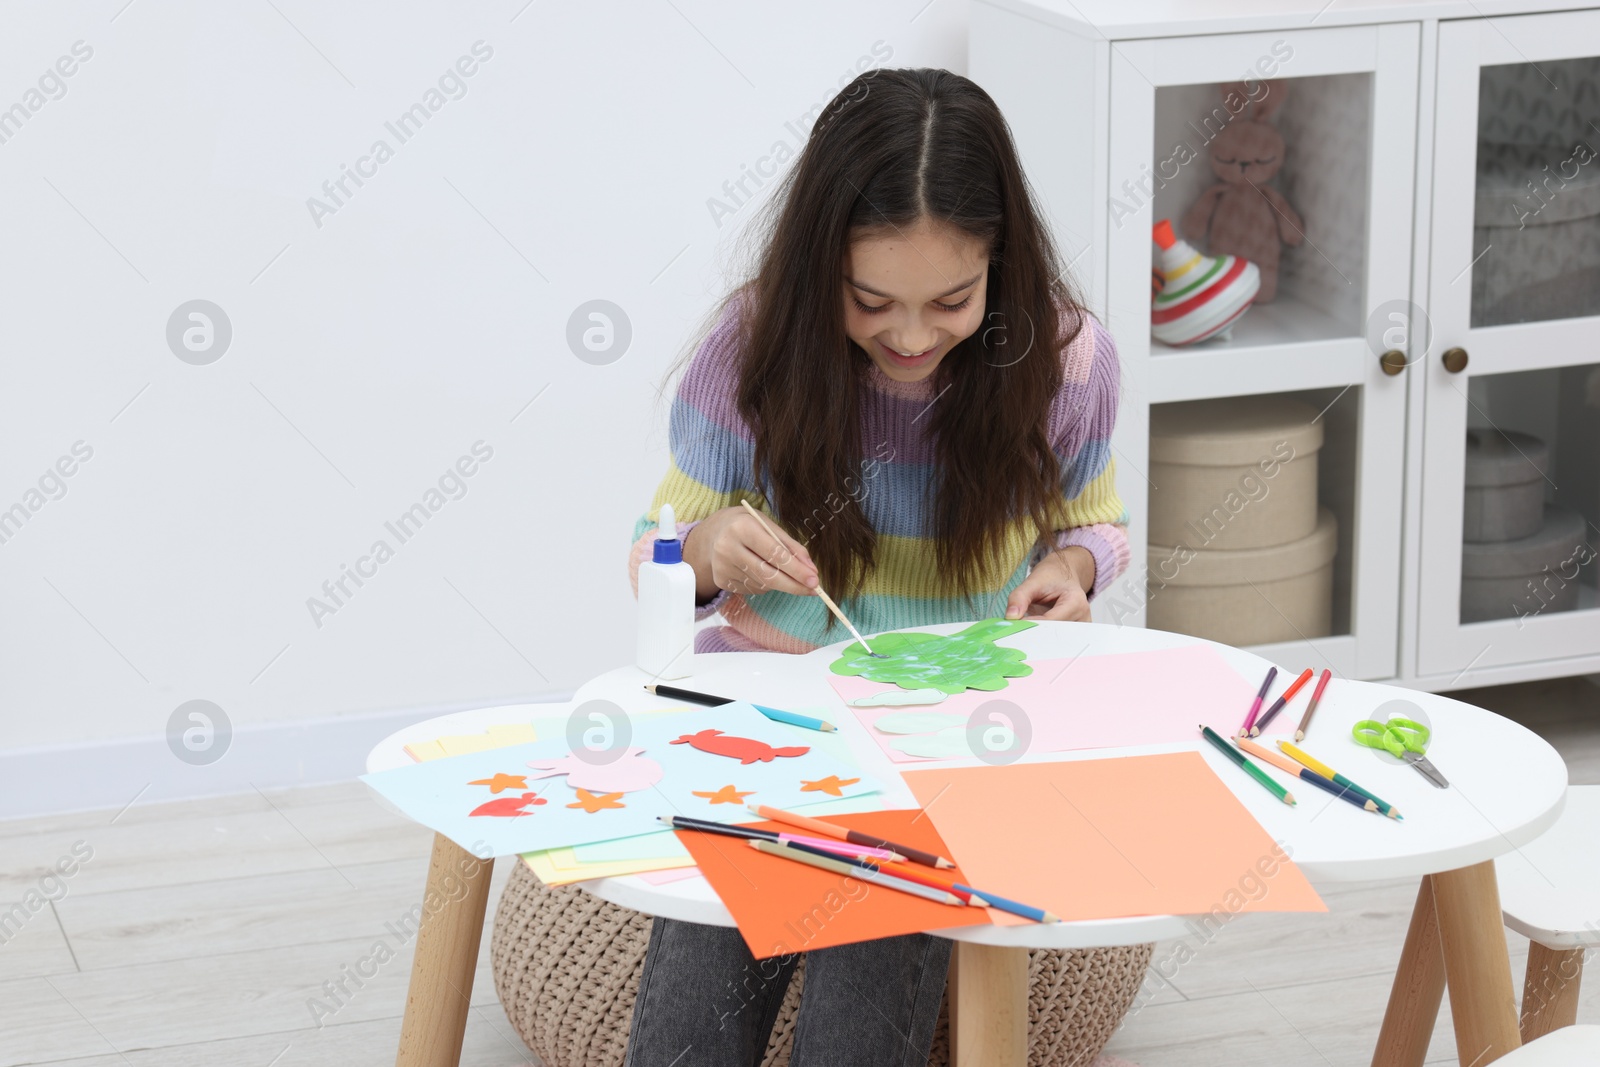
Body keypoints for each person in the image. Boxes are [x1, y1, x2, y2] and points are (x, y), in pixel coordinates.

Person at [623, 67, 1129, 1067]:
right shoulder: (752, 349)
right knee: (684, 1036)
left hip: (951, 746)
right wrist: (710, 549)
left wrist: (1072, 567)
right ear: (822, 272)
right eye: (869, 301)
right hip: (769, 737)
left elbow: (1097, 525)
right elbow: (653, 554)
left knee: (853, 1026)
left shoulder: (1066, 361)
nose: (908, 338)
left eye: (951, 301)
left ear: (1002, 264)